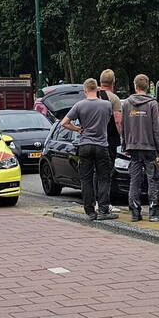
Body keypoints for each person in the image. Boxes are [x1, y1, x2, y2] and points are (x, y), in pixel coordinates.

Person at [61, 79, 117, 220]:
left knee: (86, 179)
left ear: (85, 90)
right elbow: (110, 122)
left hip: (85, 145)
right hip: (102, 146)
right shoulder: (107, 105)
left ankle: (90, 212)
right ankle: (104, 210)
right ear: (97, 89)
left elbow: (64, 123)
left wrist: (78, 129)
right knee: (104, 178)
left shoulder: (79, 105)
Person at [121, 74, 159, 222]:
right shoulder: (152, 104)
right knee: (152, 178)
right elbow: (156, 128)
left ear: (135, 86)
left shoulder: (127, 103)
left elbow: (124, 126)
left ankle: (135, 212)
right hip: (149, 147)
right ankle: (153, 211)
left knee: (135, 179)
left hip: (133, 146)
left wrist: (125, 145)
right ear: (147, 87)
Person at [96, 69, 122, 203]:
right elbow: (118, 121)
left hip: (92, 140)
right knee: (106, 173)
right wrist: (123, 137)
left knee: (96, 173)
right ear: (113, 82)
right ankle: (104, 203)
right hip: (109, 141)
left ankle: (95, 202)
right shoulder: (114, 99)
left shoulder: (92, 95)